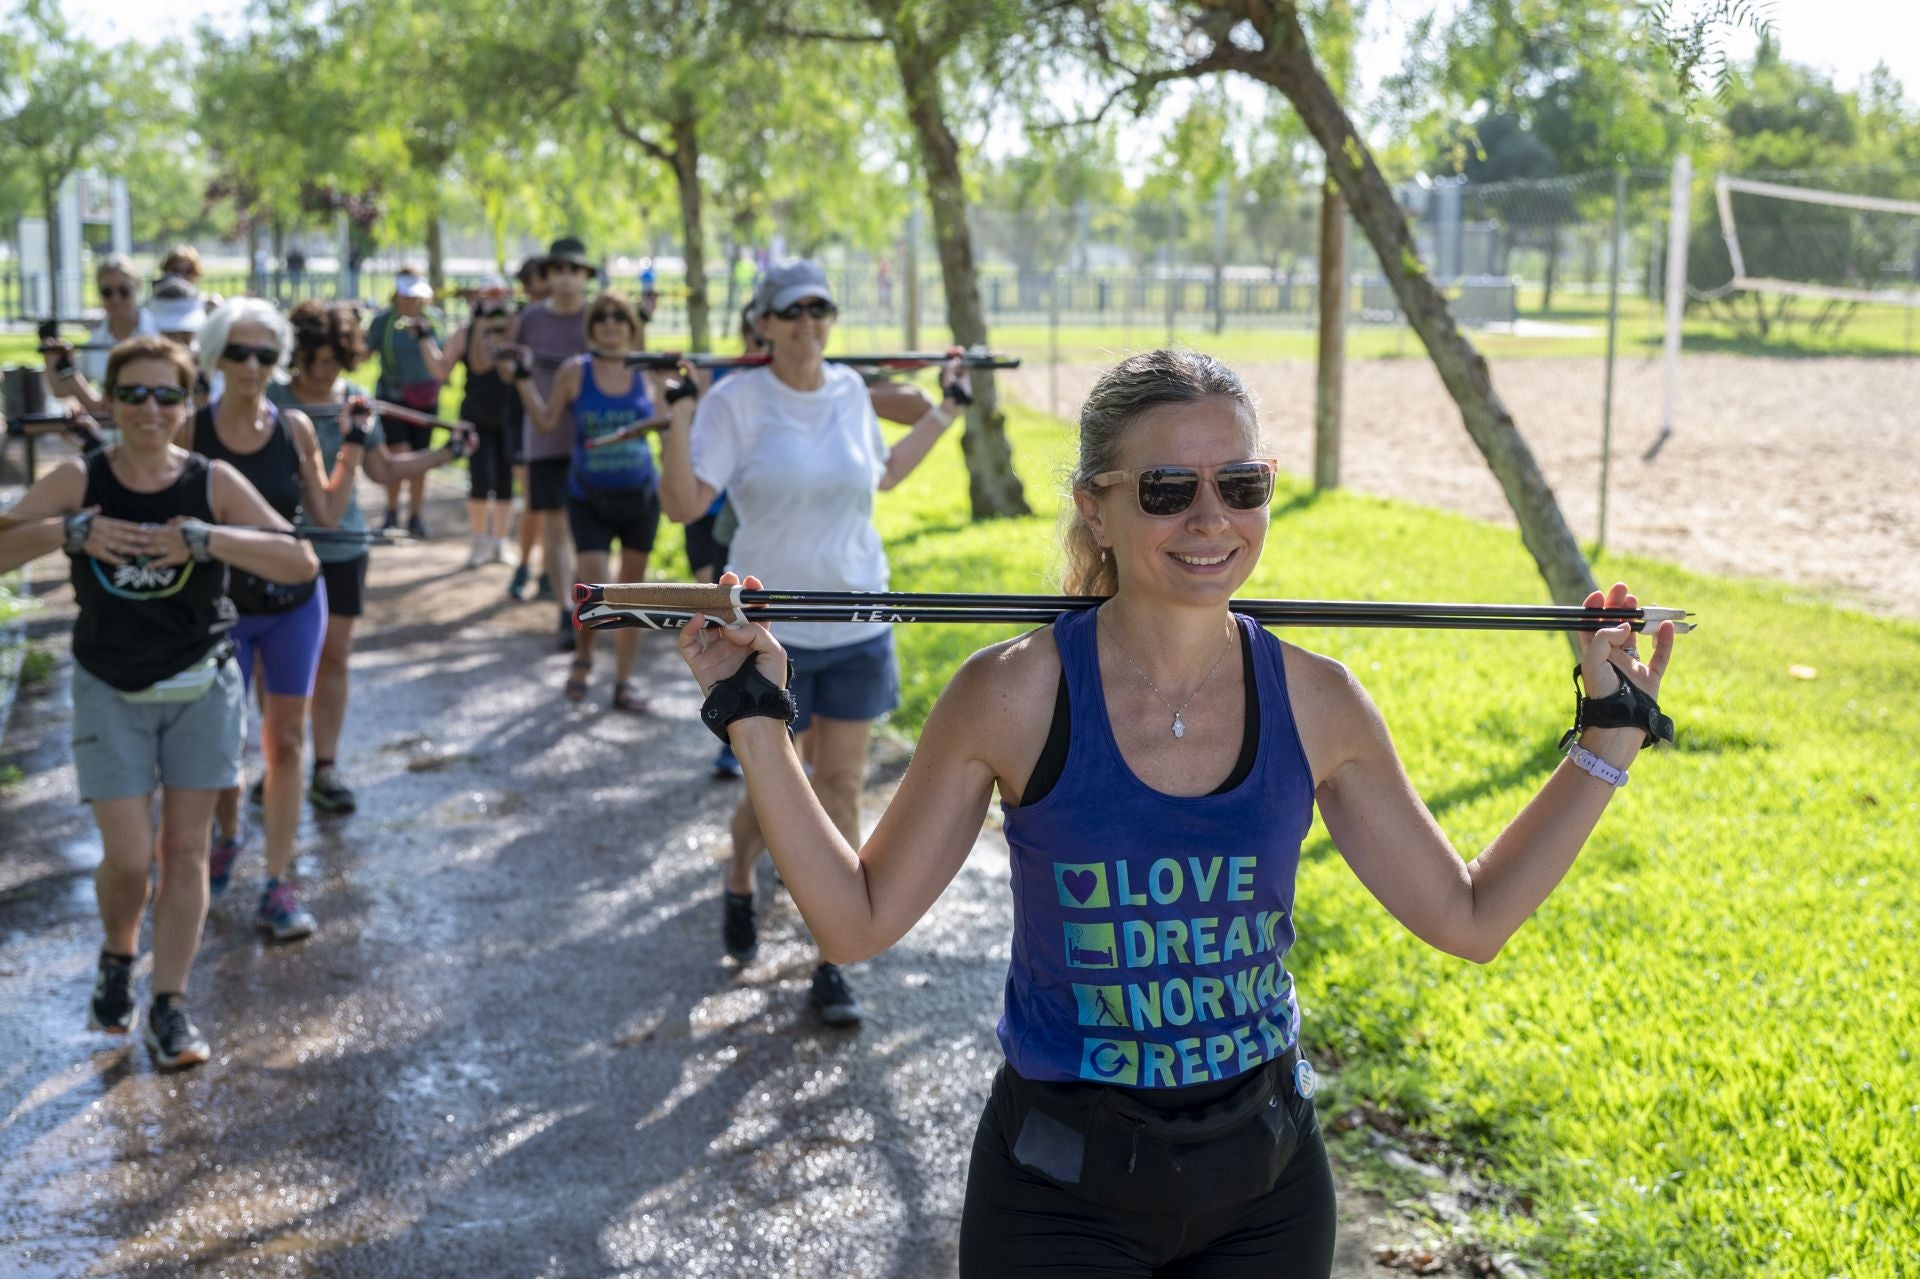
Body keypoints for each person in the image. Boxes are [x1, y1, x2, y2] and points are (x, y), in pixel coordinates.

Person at [670, 348, 1679, 1275]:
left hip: (1266, 1188)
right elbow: (856, 919)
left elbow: (1469, 918)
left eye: (1241, 485)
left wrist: (1609, 734)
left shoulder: (1318, 698)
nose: (1211, 519)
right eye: (1167, 489)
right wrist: (758, 720)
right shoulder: (1013, 695)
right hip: (1059, 1192)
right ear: (1095, 507)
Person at [658, 258, 973, 1025]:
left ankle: (832, 960)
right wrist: (676, 415)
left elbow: (886, 474)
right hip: (769, 631)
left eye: (820, 310)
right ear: (763, 321)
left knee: (839, 788)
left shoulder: (849, 393)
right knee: (775, 791)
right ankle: (740, 872)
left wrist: (947, 411)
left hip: (859, 613)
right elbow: (682, 503)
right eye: (792, 311)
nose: (808, 324)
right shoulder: (736, 401)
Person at [0, 335, 319, 1070]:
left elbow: (297, 558)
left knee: (183, 852)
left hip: (200, 685)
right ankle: (119, 953)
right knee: (130, 856)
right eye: (135, 393)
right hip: (110, 688)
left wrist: (209, 541)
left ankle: (169, 1005)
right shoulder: (82, 477)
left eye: (167, 394)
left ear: (187, 404)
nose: (151, 408)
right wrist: (70, 531)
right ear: (108, 401)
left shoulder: (211, 481)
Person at [269, 300, 476, 813]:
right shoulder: (270, 399)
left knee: (334, 656)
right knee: (276, 663)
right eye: (313, 361)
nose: (322, 373)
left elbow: (383, 472)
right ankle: (277, 760)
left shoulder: (358, 400)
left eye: (333, 362)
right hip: (278, 545)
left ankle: (326, 765)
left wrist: (448, 453)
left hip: (342, 547)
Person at [190, 299, 348, 940]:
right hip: (217, 611)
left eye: (263, 353)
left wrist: (357, 447)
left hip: (292, 605)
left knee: (284, 744)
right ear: (216, 357)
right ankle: (229, 833)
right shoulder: (189, 430)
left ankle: (279, 884)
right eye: (237, 352)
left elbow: (328, 516)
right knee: (224, 748)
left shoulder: (295, 430)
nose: (251, 366)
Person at [509, 291, 669, 708]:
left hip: (640, 495)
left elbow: (673, 428)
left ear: (633, 326)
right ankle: (583, 657)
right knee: (595, 588)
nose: (611, 324)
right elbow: (545, 422)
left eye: (620, 317)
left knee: (634, 595)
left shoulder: (650, 372)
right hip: (589, 497)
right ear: (592, 327)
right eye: (602, 317)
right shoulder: (574, 372)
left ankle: (624, 681)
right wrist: (523, 380)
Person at [510, 237, 594, 647]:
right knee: (556, 526)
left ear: (585, 276)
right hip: (544, 437)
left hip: (590, 441)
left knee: (586, 531)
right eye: (558, 269)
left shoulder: (599, 319)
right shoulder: (530, 319)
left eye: (573, 270)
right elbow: (511, 370)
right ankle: (567, 609)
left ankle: (590, 603)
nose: (565, 278)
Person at [424, 283, 519, 568]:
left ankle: (500, 542)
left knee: (505, 480)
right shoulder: (466, 332)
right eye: (487, 297)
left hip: (509, 415)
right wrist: (424, 339)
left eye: (498, 297)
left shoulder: (514, 329)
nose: (493, 303)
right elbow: (443, 369)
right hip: (476, 417)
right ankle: (479, 541)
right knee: (480, 478)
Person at [367, 268, 446, 536]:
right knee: (398, 454)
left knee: (421, 459)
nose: (411, 301)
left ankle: (415, 515)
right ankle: (391, 512)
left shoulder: (433, 321)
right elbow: (363, 353)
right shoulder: (383, 322)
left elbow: (443, 359)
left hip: (425, 401)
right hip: (392, 399)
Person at [41, 255, 159, 417]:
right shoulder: (97, 339)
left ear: (137, 288)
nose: (116, 299)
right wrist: (53, 360)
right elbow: (62, 391)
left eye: (124, 291)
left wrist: (70, 372)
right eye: (107, 292)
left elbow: (110, 407)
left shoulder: (159, 332)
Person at [506, 255, 551, 600]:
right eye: (538, 279)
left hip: (562, 425)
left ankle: (550, 569)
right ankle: (524, 565)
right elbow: (503, 368)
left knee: (556, 509)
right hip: (526, 422)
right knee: (534, 502)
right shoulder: (523, 318)